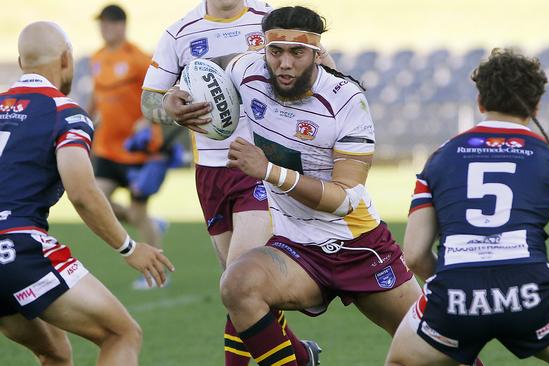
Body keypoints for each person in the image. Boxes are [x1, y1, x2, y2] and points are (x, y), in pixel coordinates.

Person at [163, 6, 426, 366]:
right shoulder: (248, 69)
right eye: (276, 52)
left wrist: (268, 171)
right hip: (294, 245)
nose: (284, 63)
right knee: (237, 285)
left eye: (297, 53)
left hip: (358, 244)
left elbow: (345, 199)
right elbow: (208, 76)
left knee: (433, 346)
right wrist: (174, 97)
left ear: (316, 54)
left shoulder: (347, 100)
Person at [385, 49, 549, 366]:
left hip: (456, 298)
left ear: (480, 101)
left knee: (400, 361)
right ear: (536, 106)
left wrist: (465, 285)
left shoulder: (441, 156)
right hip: (530, 295)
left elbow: (414, 254)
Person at [141, 1, 328, 364]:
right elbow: (149, 100)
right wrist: (170, 108)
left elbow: (320, 68)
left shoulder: (270, 21)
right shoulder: (180, 31)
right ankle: (301, 355)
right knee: (244, 289)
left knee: (240, 278)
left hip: (258, 164)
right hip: (210, 172)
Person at [0, 21, 174, 366]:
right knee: (121, 334)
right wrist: (129, 247)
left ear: (21, 63)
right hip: (16, 247)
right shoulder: (65, 112)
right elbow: (81, 191)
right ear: (67, 59)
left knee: (56, 352)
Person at [90, 4, 168, 290]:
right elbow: (97, 98)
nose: (105, 29)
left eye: (110, 24)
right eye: (102, 24)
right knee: (95, 199)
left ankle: (158, 274)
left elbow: (159, 92)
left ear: (122, 26)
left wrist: (147, 121)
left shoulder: (137, 58)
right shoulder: (97, 58)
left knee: (137, 212)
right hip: (107, 148)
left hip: (137, 150)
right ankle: (150, 223)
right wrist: (86, 119)